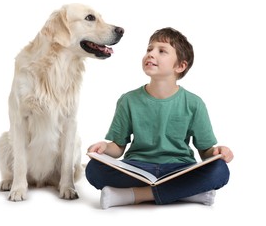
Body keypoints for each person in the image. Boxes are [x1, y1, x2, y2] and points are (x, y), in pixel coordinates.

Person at [85, 27, 234, 209]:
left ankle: (135, 195)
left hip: (179, 169)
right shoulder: (128, 100)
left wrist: (218, 152)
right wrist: (104, 147)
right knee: (93, 169)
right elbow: (118, 148)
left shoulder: (194, 103)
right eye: (149, 49)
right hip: (138, 168)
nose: (151, 54)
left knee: (220, 171)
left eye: (161, 51)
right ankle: (187, 193)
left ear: (180, 66)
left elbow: (205, 152)